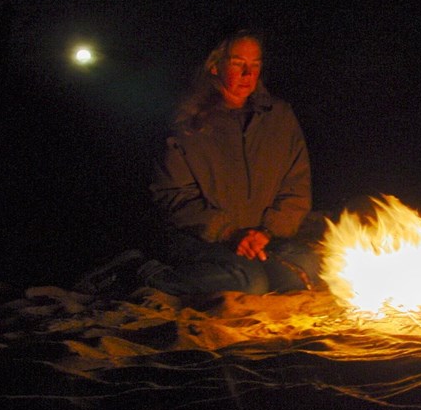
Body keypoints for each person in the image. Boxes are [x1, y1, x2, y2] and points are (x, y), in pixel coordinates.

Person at [76, 29, 320, 297]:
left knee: (305, 266)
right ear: (215, 66)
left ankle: (242, 267)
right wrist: (229, 232)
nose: (248, 74)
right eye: (238, 64)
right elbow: (173, 196)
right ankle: (138, 273)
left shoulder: (279, 116)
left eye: (255, 65)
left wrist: (266, 231)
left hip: (259, 237)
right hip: (201, 237)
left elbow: (297, 185)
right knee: (249, 282)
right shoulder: (189, 120)